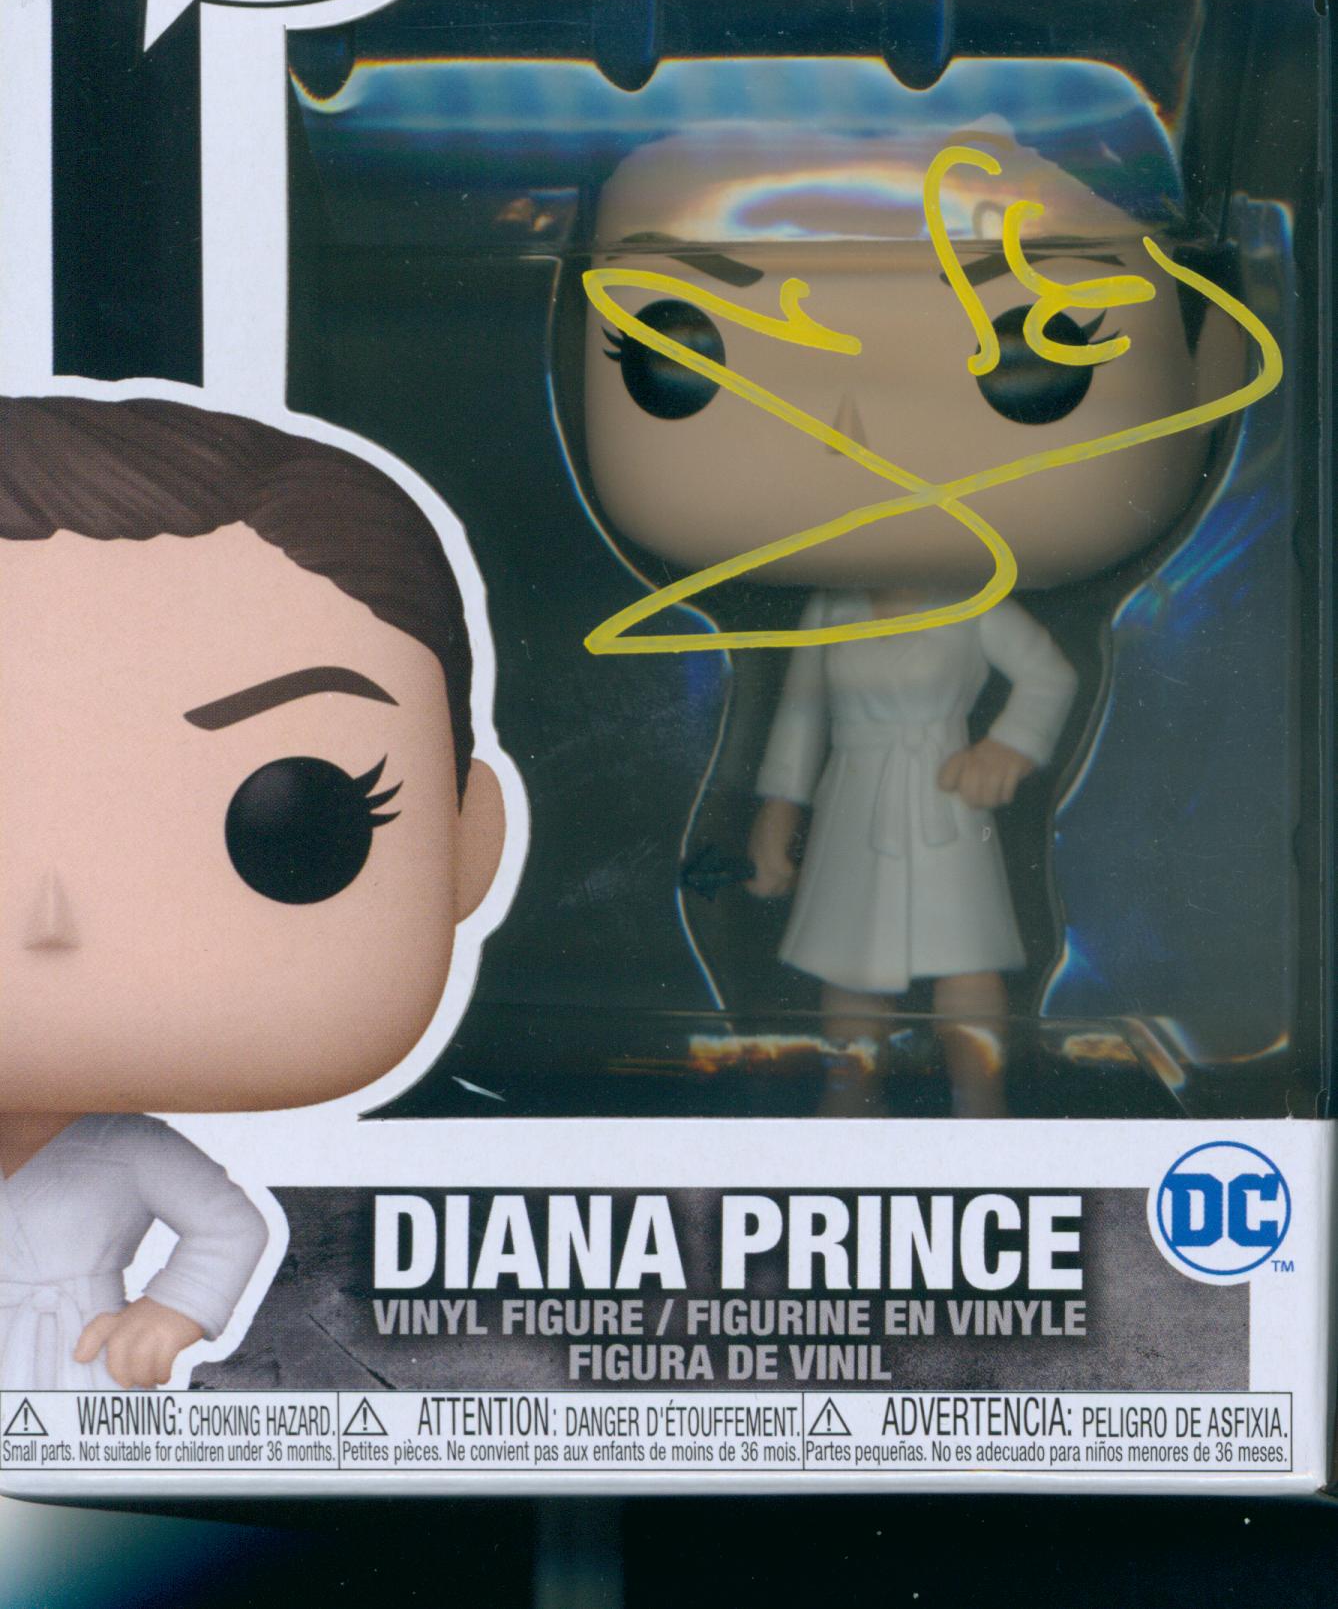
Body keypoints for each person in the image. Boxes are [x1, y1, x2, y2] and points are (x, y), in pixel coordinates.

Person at [580, 123, 1247, 1115]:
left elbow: (1049, 674)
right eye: (680, 352)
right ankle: (849, 1097)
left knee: (964, 960)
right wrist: (776, 815)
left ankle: (983, 1098)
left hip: (942, 797)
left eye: (1033, 352)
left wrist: (1007, 750)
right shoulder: (831, 608)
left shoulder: (972, 606)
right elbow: (799, 718)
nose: (851, 429)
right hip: (855, 799)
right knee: (849, 967)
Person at [0, 395, 506, 1387]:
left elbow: (227, 1229)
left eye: (298, 824)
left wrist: (170, 1316)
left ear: (468, 845)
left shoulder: (128, 1151)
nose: (47, 917)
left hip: (77, 1363)